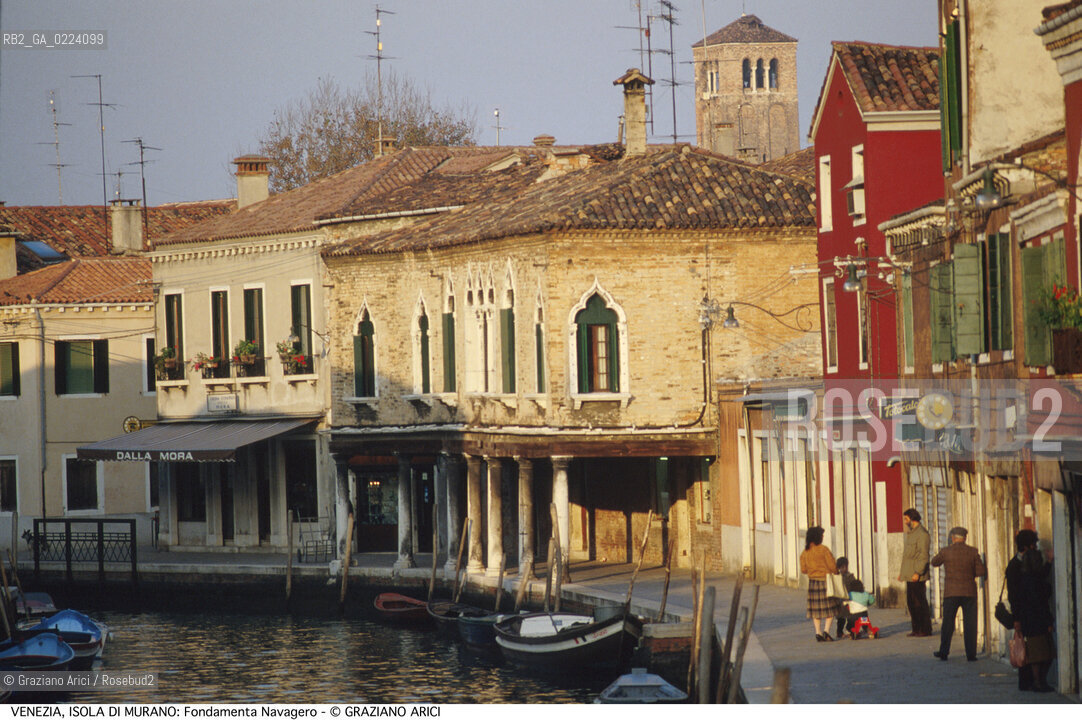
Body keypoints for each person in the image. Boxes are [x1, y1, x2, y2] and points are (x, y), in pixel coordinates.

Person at [1006, 530, 1055, 692]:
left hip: (1028, 616)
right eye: (1033, 543)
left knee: (1032, 650)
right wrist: (1016, 618)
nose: (1035, 547)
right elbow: (1014, 596)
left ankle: (1030, 682)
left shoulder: (1027, 566)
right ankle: (1032, 682)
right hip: (1028, 615)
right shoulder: (1015, 567)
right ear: (1027, 546)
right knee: (1032, 650)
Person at [930, 526, 986, 661]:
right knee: (970, 623)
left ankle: (944, 651)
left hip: (951, 593)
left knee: (948, 623)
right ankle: (971, 654)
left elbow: (934, 562)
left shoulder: (946, 552)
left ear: (953, 538)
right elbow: (981, 572)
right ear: (965, 538)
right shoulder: (973, 552)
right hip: (969, 592)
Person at [799, 526, 839, 642]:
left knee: (816, 610)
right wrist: (836, 572)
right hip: (826, 582)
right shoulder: (824, 550)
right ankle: (826, 631)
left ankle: (818, 632)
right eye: (821, 535)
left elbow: (803, 570)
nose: (822, 537)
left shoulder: (805, 552)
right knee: (831, 608)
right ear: (818, 537)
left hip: (813, 583)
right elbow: (832, 566)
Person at [898, 508, 932, 637]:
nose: (905, 522)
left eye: (906, 519)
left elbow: (923, 556)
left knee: (919, 602)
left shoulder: (922, 534)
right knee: (911, 602)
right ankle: (916, 628)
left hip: (917, 575)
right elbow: (907, 556)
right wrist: (902, 573)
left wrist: (918, 572)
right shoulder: (912, 533)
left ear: (912, 519)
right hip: (909, 573)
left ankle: (924, 629)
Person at [834, 556, 868, 638]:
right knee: (849, 617)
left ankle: (841, 631)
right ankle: (848, 629)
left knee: (841, 618)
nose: (844, 569)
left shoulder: (836, 578)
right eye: (842, 567)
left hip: (840, 601)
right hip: (848, 600)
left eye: (845, 567)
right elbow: (855, 587)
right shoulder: (849, 577)